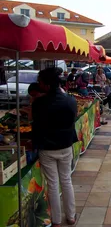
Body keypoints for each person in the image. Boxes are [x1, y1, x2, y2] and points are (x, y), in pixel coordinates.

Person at [32, 67, 77, 227]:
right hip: (65, 146)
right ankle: (71, 217)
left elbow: (35, 126)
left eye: (40, 82)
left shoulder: (39, 103)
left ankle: (56, 221)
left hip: (47, 148)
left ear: (46, 84)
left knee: (53, 184)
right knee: (66, 180)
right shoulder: (71, 100)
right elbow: (72, 120)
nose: (39, 85)